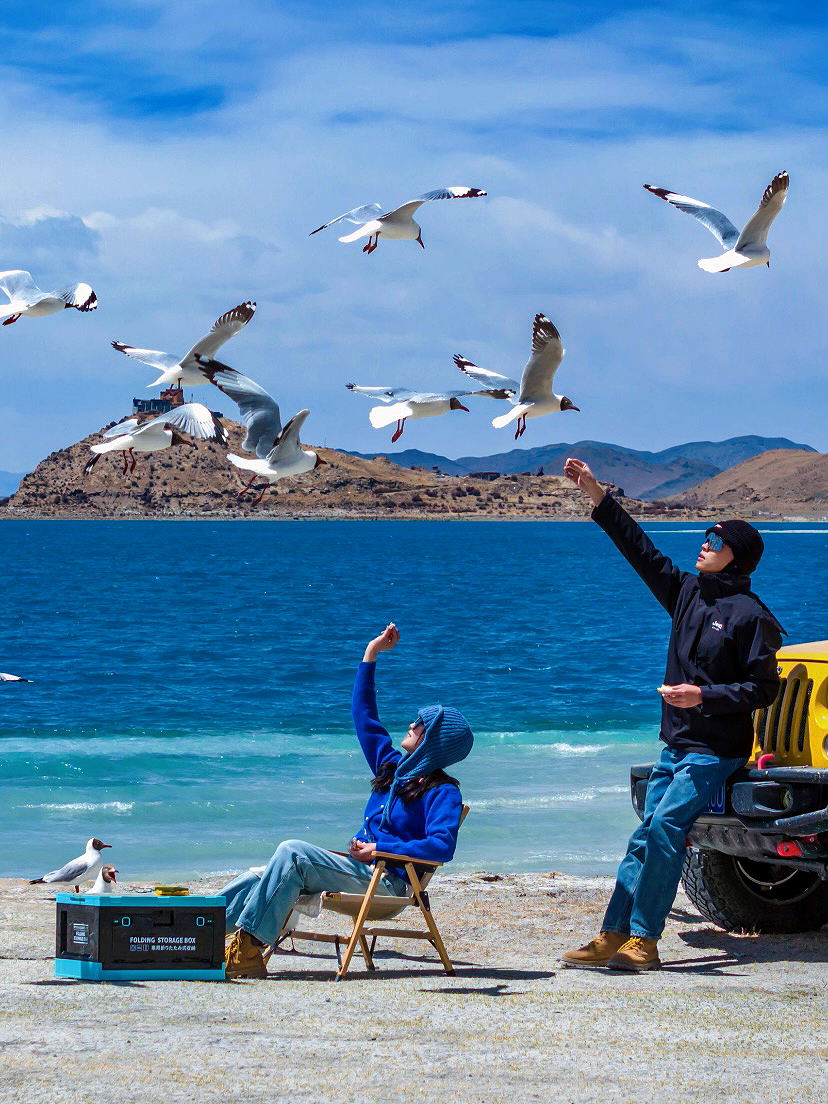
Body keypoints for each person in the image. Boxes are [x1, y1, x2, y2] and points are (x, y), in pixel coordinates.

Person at [561, 457, 784, 972]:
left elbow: (764, 688)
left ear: (736, 558)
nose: (704, 545)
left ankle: (645, 940)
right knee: (645, 834)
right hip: (676, 744)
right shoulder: (686, 592)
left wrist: (703, 697)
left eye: (715, 541)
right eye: (705, 538)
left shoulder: (752, 618)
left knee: (663, 828)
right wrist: (597, 495)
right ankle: (614, 934)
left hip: (715, 752)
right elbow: (640, 552)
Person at [222, 622, 474, 979]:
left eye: (420, 723)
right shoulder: (391, 768)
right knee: (258, 878)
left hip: (389, 884)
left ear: (433, 740)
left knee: (292, 853)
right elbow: (364, 717)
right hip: (362, 873)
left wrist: (380, 848)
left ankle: (246, 951)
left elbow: (441, 846)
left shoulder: (442, 792)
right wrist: (371, 654)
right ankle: (191, 928)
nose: (412, 724)